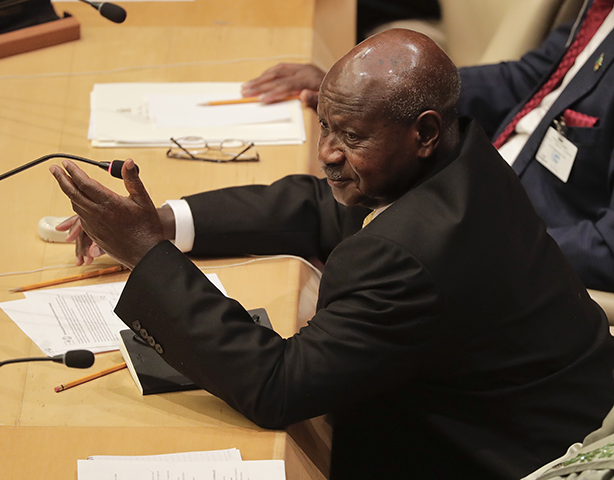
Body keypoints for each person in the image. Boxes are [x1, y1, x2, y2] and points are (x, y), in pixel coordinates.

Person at [50, 29, 614, 480]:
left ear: (423, 132)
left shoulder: (410, 253)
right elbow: (320, 206)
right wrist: (167, 224)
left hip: (519, 459)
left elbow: (277, 386)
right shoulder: (458, 155)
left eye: (349, 137)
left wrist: (145, 255)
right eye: (324, 126)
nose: (325, 154)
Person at [241, 0, 614, 293]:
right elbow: (532, 77)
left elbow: (608, 250)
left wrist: (487, 241)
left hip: (521, 247)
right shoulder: (601, 9)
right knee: (316, 203)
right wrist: (379, 95)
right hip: (475, 185)